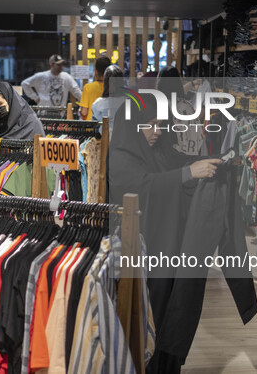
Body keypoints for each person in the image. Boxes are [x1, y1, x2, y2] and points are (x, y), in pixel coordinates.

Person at [108, 95, 224, 373]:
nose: (157, 131)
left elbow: (172, 165)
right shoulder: (121, 158)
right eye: (149, 125)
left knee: (164, 312)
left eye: (160, 124)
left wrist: (208, 165)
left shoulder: (155, 151)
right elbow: (141, 187)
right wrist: (187, 174)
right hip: (139, 257)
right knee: (148, 314)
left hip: (161, 249)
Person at [157, 66, 206, 156]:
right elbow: (198, 135)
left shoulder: (158, 105)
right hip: (190, 156)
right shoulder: (187, 107)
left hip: (169, 156)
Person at [91, 64, 125, 136]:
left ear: (105, 82)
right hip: (125, 143)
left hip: (104, 143)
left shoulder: (97, 104)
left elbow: (94, 128)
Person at [79, 56, 110, 120]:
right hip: (108, 127)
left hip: (91, 127)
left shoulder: (88, 88)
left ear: (96, 71)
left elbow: (84, 113)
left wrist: (80, 112)